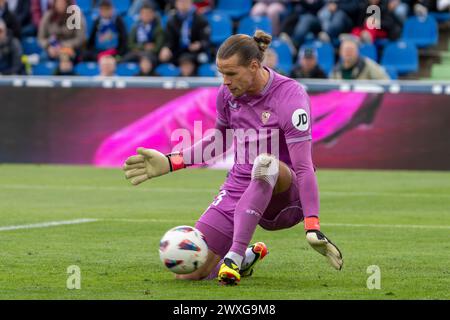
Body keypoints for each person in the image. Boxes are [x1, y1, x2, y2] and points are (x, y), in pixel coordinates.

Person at [123, 30, 343, 285]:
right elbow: (219, 141)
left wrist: (312, 225)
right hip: (240, 184)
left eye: (231, 73)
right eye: (221, 73)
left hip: (284, 193)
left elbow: (304, 168)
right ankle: (248, 257)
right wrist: (172, 161)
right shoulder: (227, 95)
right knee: (190, 271)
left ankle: (234, 257)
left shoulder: (290, 96)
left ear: (253, 66)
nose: (225, 81)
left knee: (265, 163)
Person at [158, 0, 210, 65]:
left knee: (192, 59)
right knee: (161, 57)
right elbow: (170, 40)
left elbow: (206, 40)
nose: (183, 4)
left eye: (185, 1)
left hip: (196, 52)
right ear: (176, 4)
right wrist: (166, 48)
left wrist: (199, 44)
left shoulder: (200, 19)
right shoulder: (172, 20)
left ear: (191, 2)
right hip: (179, 51)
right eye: (180, 1)